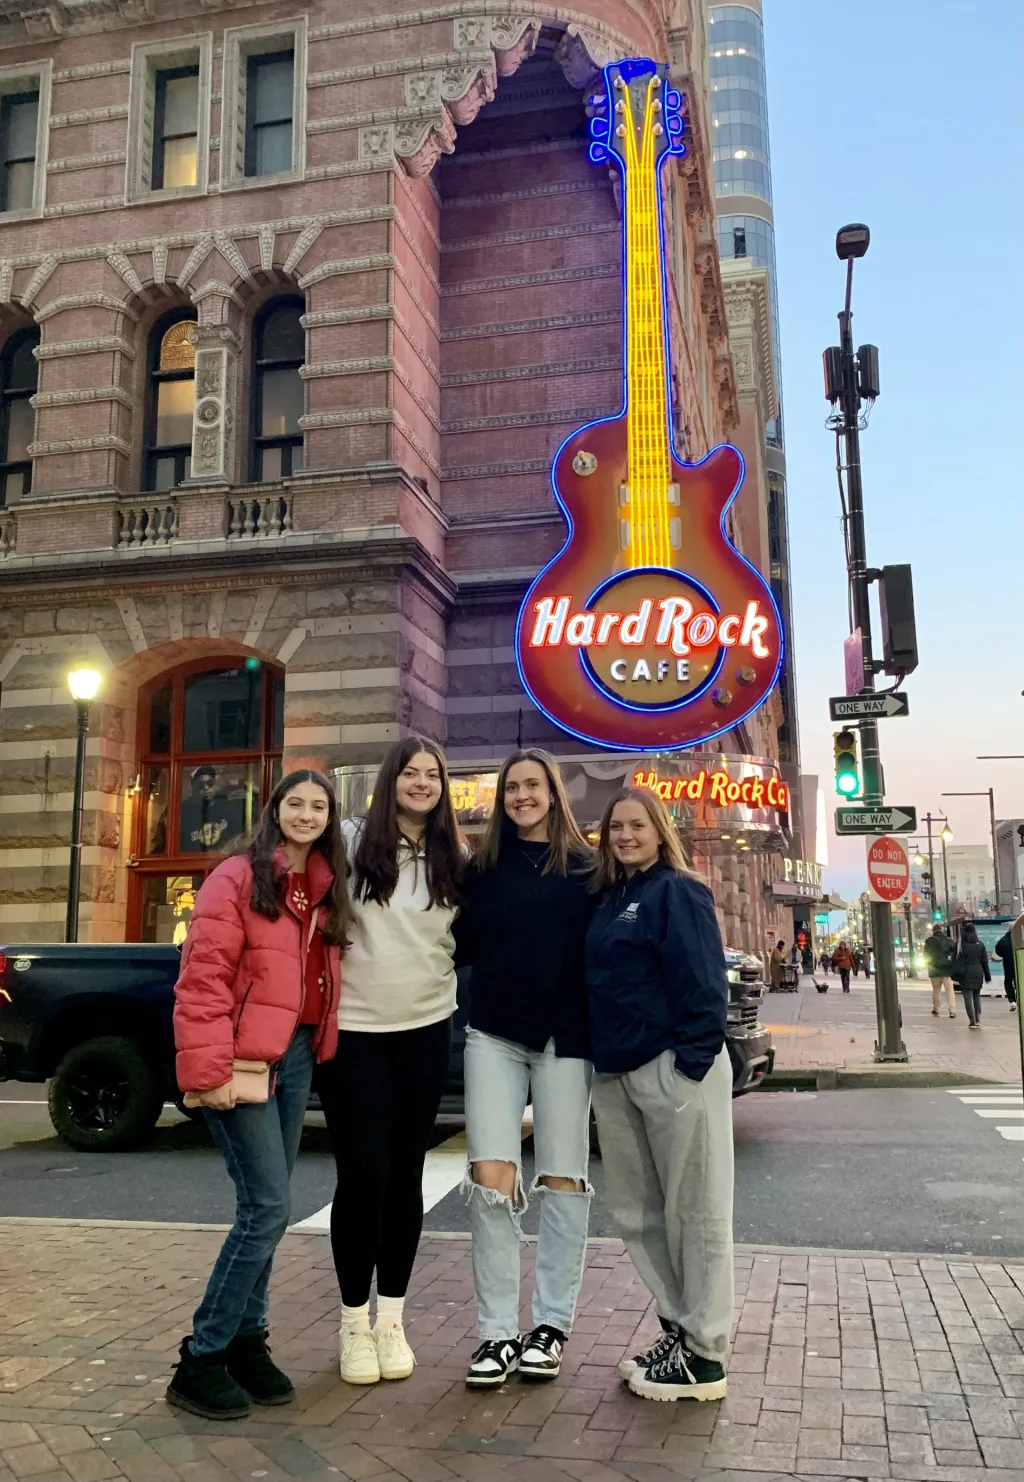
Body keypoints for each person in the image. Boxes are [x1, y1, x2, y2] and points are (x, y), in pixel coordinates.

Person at [167, 770, 349, 1420]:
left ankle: (248, 1342)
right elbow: (205, 974)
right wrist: (208, 1068)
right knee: (268, 1208)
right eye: (294, 803)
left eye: (318, 805)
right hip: (241, 1055)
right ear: (276, 810)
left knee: (264, 1204)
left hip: (295, 1055)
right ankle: (202, 1355)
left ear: (330, 817)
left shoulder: (327, 886)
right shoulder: (239, 875)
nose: (306, 813)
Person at [317, 737, 463, 1386]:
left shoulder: (454, 857)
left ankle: (392, 1321)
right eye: (411, 772)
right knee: (363, 1174)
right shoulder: (349, 843)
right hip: (355, 1035)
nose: (423, 782)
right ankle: (353, 1322)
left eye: (433, 775)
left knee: (406, 1175)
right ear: (391, 780)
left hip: (425, 1032)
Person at [585, 787, 731, 1403]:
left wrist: (688, 1066)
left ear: (658, 830)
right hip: (616, 1075)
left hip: (670, 1070)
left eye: (636, 825)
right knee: (639, 1214)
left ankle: (705, 1355)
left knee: (693, 1212)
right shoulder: (614, 895)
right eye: (615, 827)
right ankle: (677, 1327)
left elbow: (704, 982)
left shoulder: (678, 890)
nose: (624, 835)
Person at [457, 749, 596, 1388]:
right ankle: (496, 1334)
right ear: (501, 798)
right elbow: (452, 945)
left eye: (533, 786)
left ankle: (549, 1327)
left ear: (553, 793)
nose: (522, 796)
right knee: (491, 1177)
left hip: (566, 1040)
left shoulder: (589, 868)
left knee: (563, 1178)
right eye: (512, 787)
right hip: (493, 1034)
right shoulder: (479, 870)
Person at [954, 923, 991, 1029]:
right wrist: (987, 975)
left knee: (968, 998)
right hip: (978, 972)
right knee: (976, 996)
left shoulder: (960, 944)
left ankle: (972, 1020)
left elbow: (956, 960)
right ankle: (978, 1018)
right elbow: (985, 961)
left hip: (965, 974)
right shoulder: (980, 944)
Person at [923, 922, 957, 1018]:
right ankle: (952, 1011)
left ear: (933, 930)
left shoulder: (929, 941)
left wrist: (929, 965)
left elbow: (925, 955)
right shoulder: (949, 940)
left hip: (935, 970)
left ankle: (936, 1008)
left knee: (936, 990)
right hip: (947, 970)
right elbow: (954, 954)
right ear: (941, 930)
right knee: (950, 991)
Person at [994, 930, 1017, 1008]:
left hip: (1007, 964)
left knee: (1008, 983)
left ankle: (1012, 1001)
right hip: (1019, 964)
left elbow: (998, 950)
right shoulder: (1019, 938)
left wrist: (1005, 955)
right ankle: (1020, 999)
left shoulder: (1003, 940)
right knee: (1019, 982)